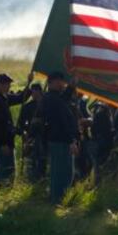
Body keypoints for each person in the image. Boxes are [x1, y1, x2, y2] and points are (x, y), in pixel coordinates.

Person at [43, 72, 79, 205]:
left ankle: (57, 198)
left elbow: (63, 99)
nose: (62, 83)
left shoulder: (53, 97)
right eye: (59, 81)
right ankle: (59, 200)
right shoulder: (52, 98)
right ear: (51, 82)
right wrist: (71, 141)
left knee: (60, 171)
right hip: (61, 140)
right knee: (63, 172)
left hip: (59, 139)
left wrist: (71, 87)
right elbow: (62, 121)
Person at [18, 83, 46, 183]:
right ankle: (31, 180)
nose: (33, 94)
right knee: (31, 159)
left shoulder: (46, 104)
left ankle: (42, 178)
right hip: (32, 136)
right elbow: (21, 123)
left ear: (40, 91)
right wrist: (24, 132)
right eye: (32, 91)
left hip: (45, 136)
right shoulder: (28, 107)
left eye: (35, 91)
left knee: (43, 159)